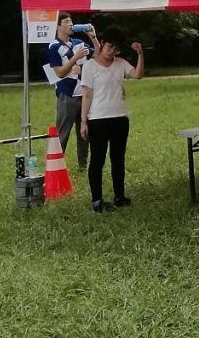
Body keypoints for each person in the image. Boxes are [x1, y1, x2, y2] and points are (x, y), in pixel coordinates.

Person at [79, 29, 143, 213]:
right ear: (102, 43)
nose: (112, 51)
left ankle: (119, 196)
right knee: (97, 160)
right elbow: (87, 95)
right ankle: (97, 200)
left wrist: (140, 53)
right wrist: (84, 121)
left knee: (118, 160)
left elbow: (138, 74)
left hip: (120, 118)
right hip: (98, 119)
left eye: (115, 48)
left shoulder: (121, 63)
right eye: (109, 46)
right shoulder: (90, 66)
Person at [45, 13, 100, 170]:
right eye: (67, 22)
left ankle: (83, 165)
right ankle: (56, 167)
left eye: (71, 22)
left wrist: (93, 37)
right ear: (58, 26)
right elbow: (60, 72)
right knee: (63, 133)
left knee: (84, 132)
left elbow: (97, 54)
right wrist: (75, 58)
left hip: (83, 94)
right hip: (66, 95)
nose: (71, 24)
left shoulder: (79, 43)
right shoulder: (54, 47)